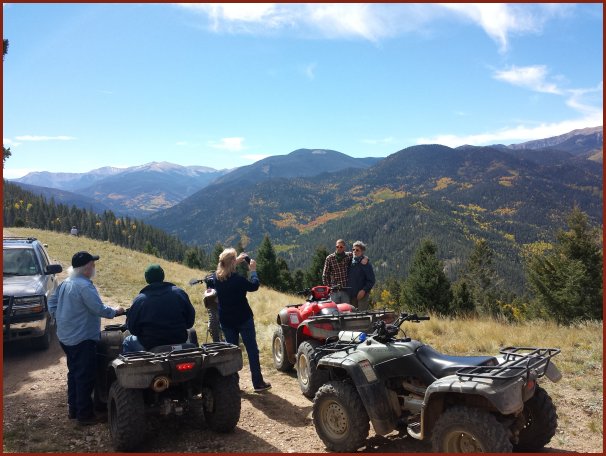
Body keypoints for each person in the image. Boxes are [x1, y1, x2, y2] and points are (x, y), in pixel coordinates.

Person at [48, 251, 125, 426]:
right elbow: (98, 309)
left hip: (66, 336)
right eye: (92, 264)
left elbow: (51, 303)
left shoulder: (66, 282)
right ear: (86, 268)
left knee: (74, 372)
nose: (94, 267)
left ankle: (74, 409)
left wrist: (59, 317)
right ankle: (85, 415)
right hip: (82, 337)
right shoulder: (84, 286)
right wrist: (116, 311)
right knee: (85, 375)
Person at [211, 248, 271, 393]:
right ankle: (258, 383)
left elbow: (221, 268)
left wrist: (233, 262)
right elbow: (254, 286)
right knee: (252, 350)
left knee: (232, 353)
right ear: (232, 262)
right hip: (243, 318)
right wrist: (253, 271)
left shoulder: (216, 278)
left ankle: (233, 385)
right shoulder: (238, 280)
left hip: (226, 320)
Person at [122, 264, 196, 352]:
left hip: (151, 345)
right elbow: (190, 322)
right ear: (163, 275)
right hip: (179, 340)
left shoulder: (140, 300)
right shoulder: (179, 293)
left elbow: (133, 329)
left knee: (127, 341)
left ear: (147, 279)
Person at [322, 239, 368, 303]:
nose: (339, 248)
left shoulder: (349, 255)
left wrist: (366, 258)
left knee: (346, 308)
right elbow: (325, 275)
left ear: (344, 248)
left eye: (341, 247)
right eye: (337, 246)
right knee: (335, 308)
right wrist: (329, 287)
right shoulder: (329, 258)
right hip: (334, 291)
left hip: (346, 291)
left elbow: (358, 255)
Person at [347, 241, 376, 311]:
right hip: (351, 296)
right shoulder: (349, 261)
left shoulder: (366, 264)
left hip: (362, 296)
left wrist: (364, 290)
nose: (355, 251)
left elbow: (371, 280)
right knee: (351, 316)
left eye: (357, 250)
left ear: (362, 251)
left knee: (362, 315)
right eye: (353, 249)